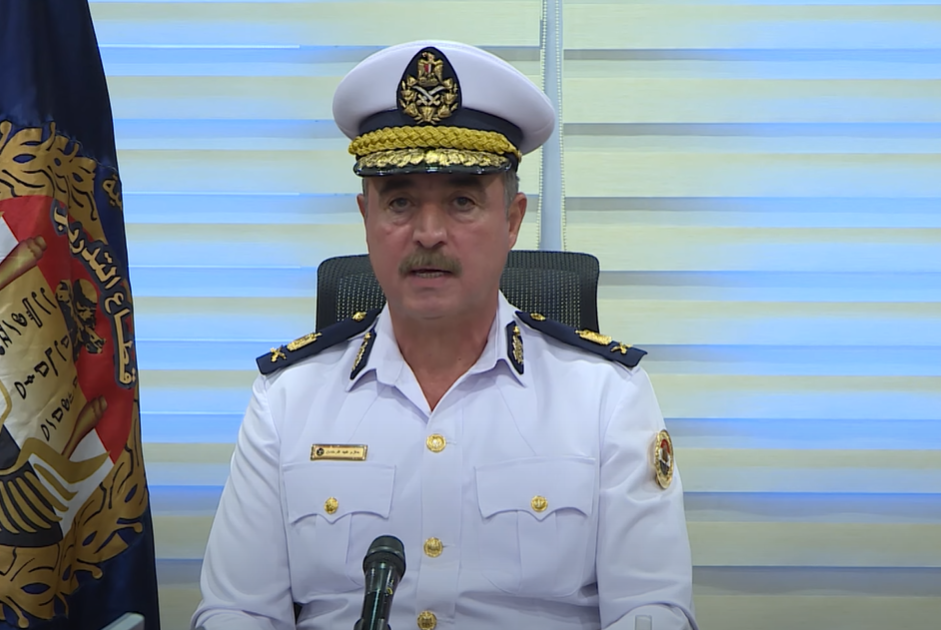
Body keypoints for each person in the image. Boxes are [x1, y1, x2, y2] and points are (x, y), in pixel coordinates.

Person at [191, 40, 698, 630]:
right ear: (366, 218)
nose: (428, 233)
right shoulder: (286, 401)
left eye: (461, 201)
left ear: (512, 220)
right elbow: (238, 610)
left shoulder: (607, 396)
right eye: (399, 202)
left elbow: (651, 611)